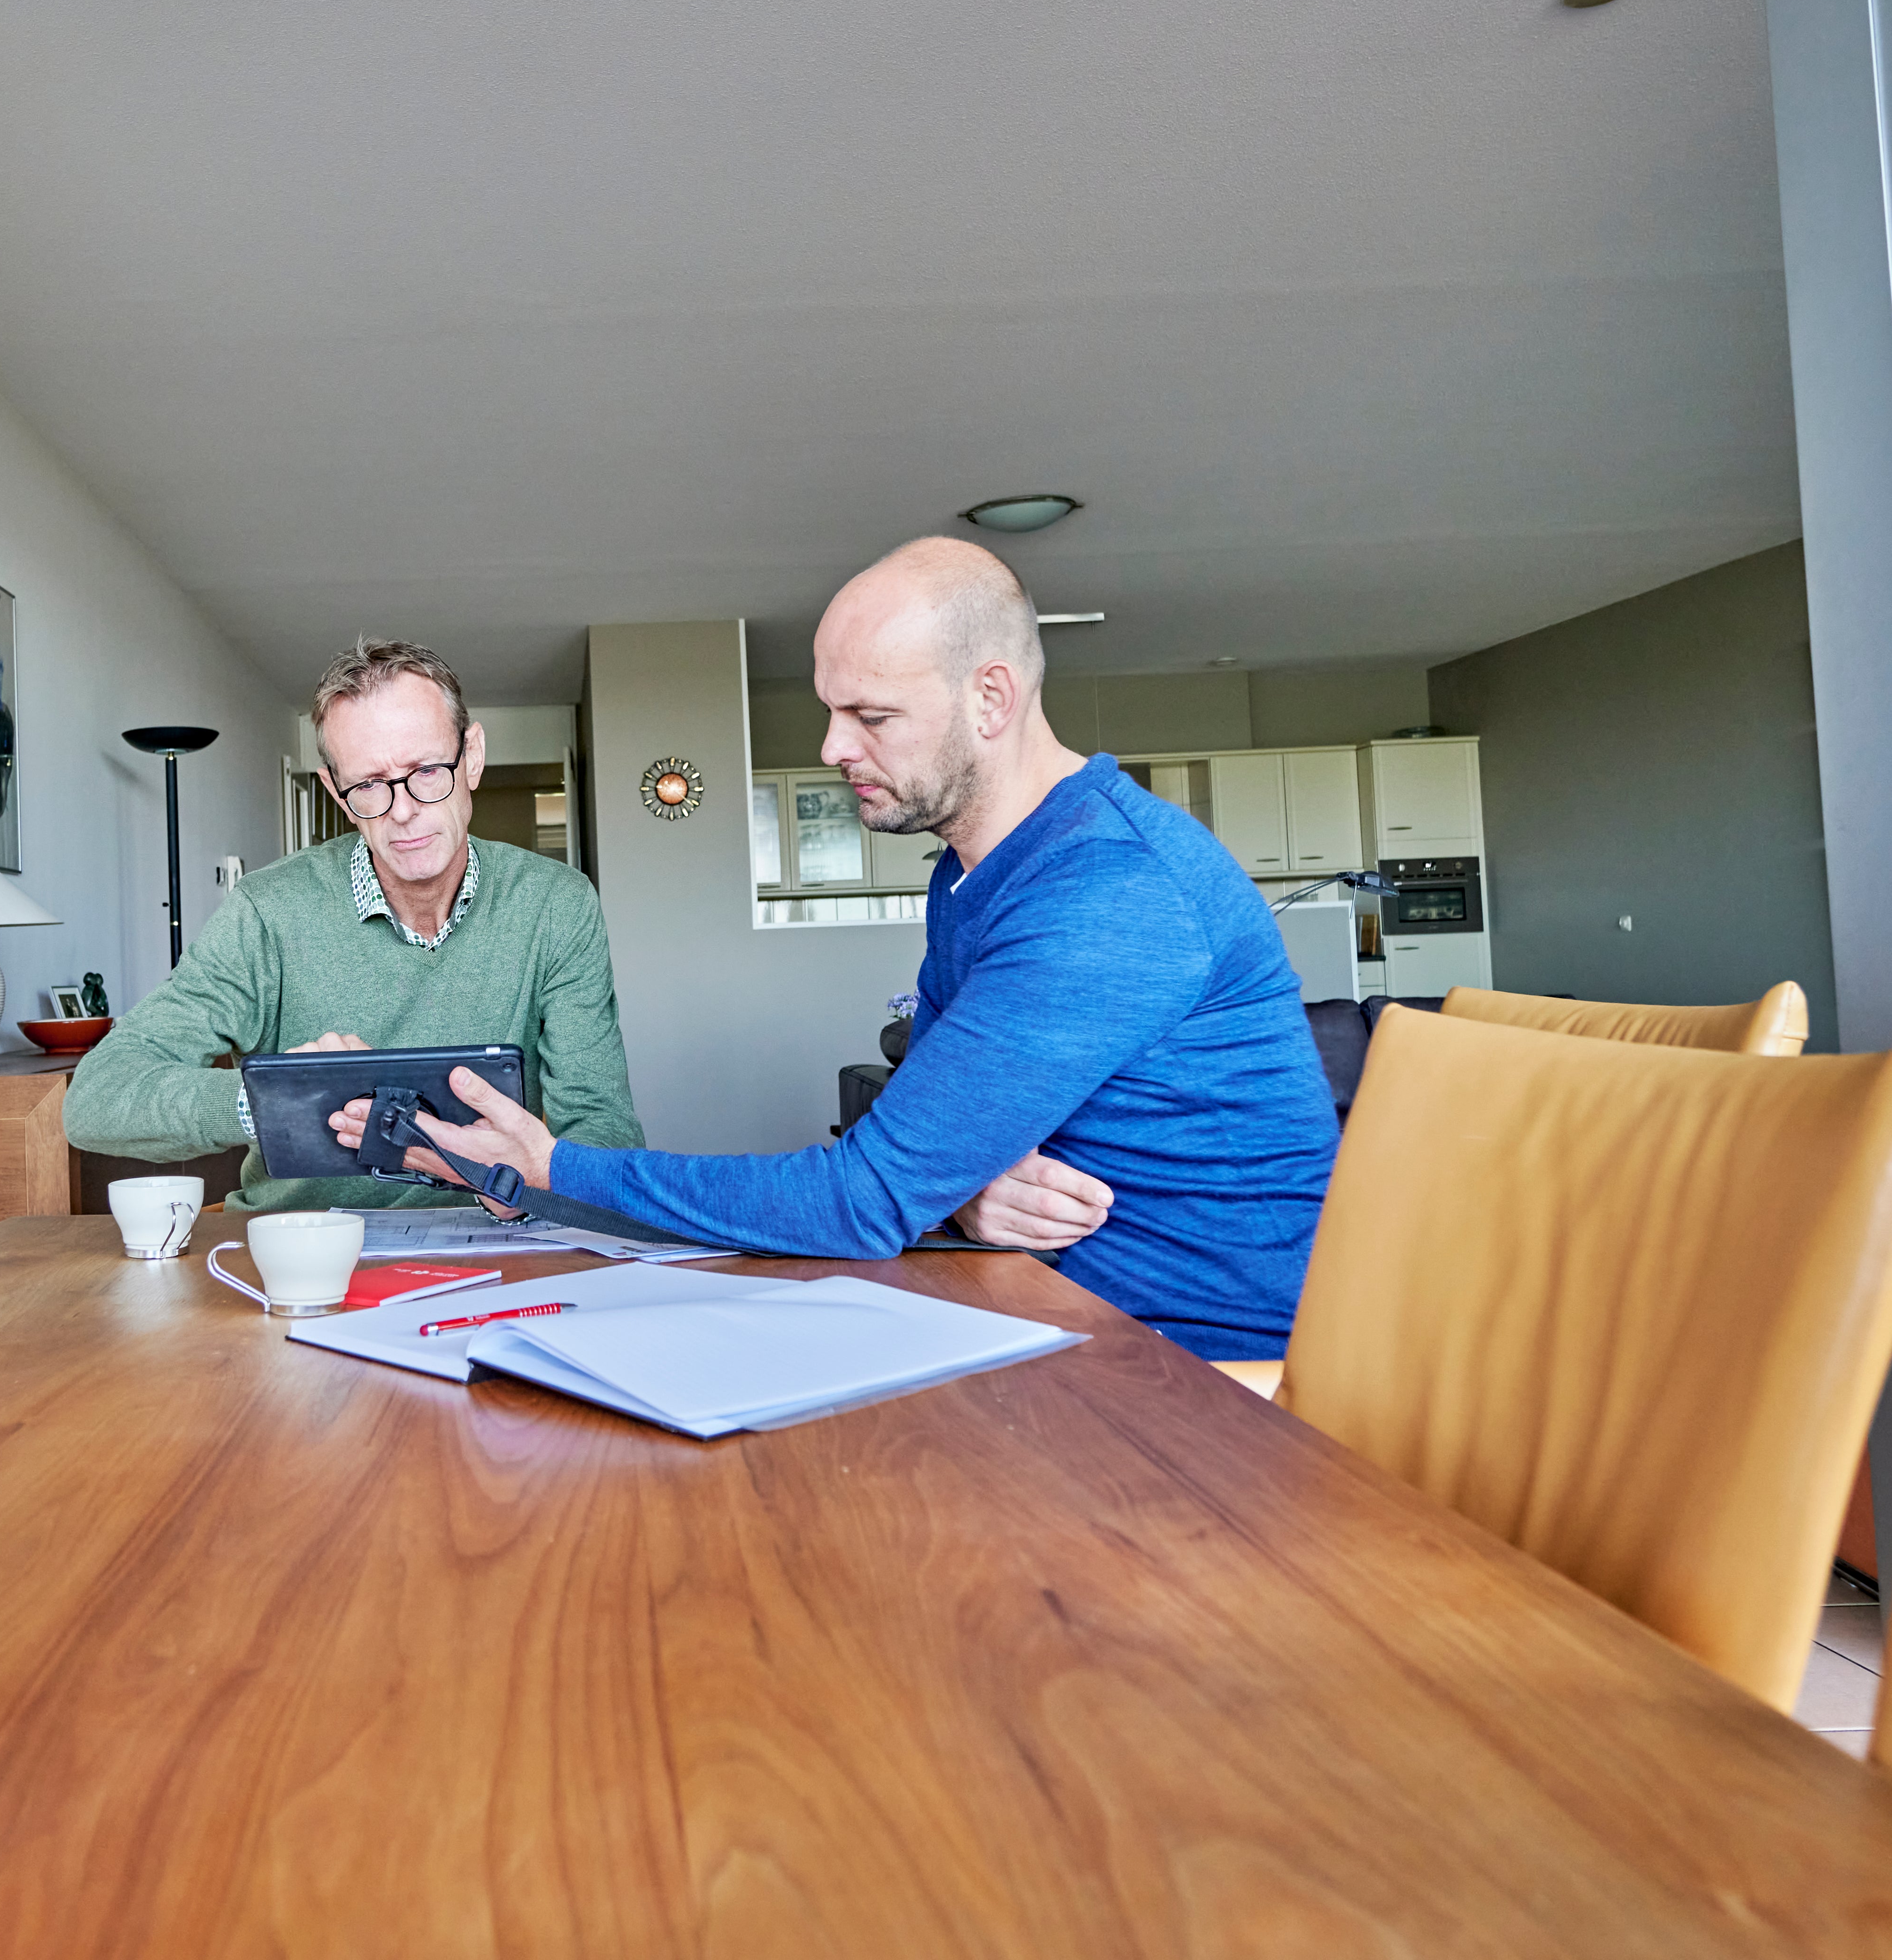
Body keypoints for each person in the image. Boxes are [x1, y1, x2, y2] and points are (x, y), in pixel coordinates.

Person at [360, 538, 1339, 1359]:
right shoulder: (973, 870)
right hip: (1044, 1310)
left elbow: (866, 1196)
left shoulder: (1107, 892)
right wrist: (953, 1191)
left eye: (871, 716)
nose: (833, 746)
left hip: (1197, 1368)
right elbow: (922, 1144)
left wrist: (553, 1166)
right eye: (833, 708)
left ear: (990, 698)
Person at [67, 637, 644, 1211]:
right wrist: (270, 1097)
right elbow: (95, 1099)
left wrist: (531, 1182)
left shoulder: (557, 905)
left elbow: (605, 1131)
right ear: (338, 795)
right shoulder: (267, 912)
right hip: (300, 1255)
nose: (403, 809)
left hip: (498, 1247)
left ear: (472, 757)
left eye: (426, 770)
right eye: (369, 784)